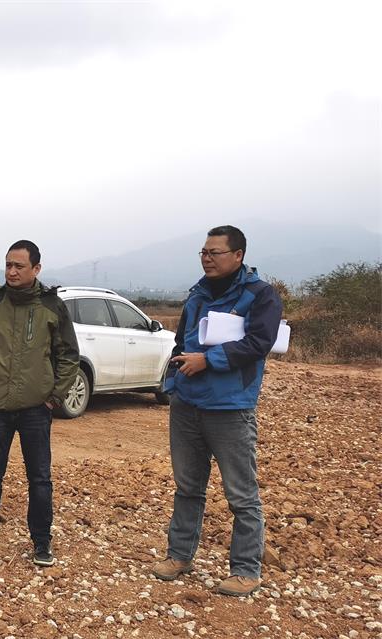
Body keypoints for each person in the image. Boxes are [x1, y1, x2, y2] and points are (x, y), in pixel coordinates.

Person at [152, 225, 282, 596]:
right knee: (188, 487)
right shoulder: (197, 294)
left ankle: (246, 570)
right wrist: (174, 382)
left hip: (230, 408)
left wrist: (208, 360)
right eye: (204, 252)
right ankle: (179, 556)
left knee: (241, 493)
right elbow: (182, 341)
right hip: (188, 404)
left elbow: (259, 343)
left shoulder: (260, 295)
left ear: (238, 255)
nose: (207, 259)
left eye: (215, 252)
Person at [0, 240, 79, 566]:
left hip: (35, 409)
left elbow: (68, 355)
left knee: (39, 479)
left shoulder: (52, 306)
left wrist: (54, 397)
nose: (12, 272)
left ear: (36, 269)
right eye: (8, 265)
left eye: (19, 266)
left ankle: (41, 542)